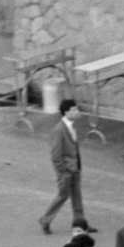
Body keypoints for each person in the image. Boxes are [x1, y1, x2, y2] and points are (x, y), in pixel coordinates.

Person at [40, 99, 85, 236]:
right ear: (66, 112)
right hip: (66, 170)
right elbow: (55, 154)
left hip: (74, 167)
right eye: (74, 110)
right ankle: (45, 219)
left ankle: (80, 223)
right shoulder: (59, 130)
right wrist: (62, 171)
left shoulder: (71, 126)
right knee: (63, 195)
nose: (77, 112)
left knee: (76, 196)